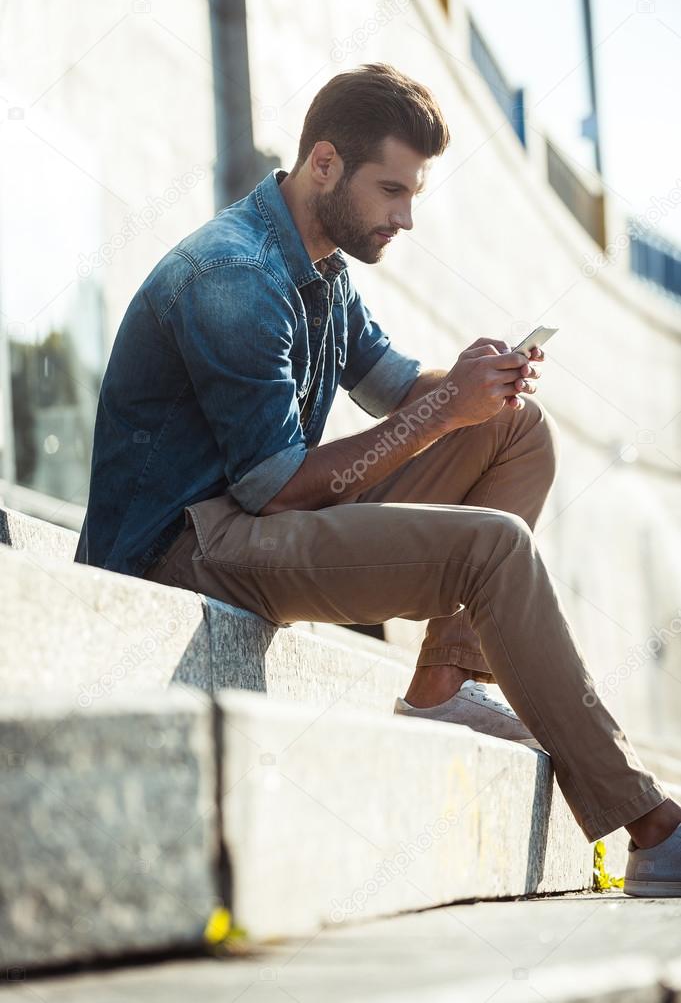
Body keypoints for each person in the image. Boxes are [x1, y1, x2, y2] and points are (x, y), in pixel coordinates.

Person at [76, 62, 681, 895]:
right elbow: (278, 487)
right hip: (183, 547)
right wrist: (441, 412)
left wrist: (475, 380)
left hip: (252, 518)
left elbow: (397, 385)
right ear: (323, 164)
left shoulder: (321, 265)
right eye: (391, 191)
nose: (404, 217)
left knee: (516, 427)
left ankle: (440, 683)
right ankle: (650, 825)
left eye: (413, 195)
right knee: (493, 548)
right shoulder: (234, 280)